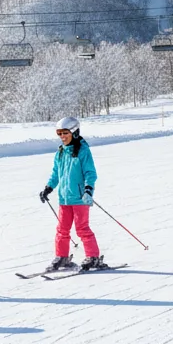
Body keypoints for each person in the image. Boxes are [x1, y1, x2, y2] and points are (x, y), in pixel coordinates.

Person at [40, 116, 104, 271]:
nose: (62, 137)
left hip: (80, 198)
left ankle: (93, 257)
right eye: (60, 133)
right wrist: (49, 187)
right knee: (62, 229)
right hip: (64, 198)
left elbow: (90, 173)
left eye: (65, 133)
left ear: (74, 132)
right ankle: (62, 257)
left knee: (82, 228)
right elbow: (56, 173)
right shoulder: (60, 152)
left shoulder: (83, 150)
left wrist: (89, 190)